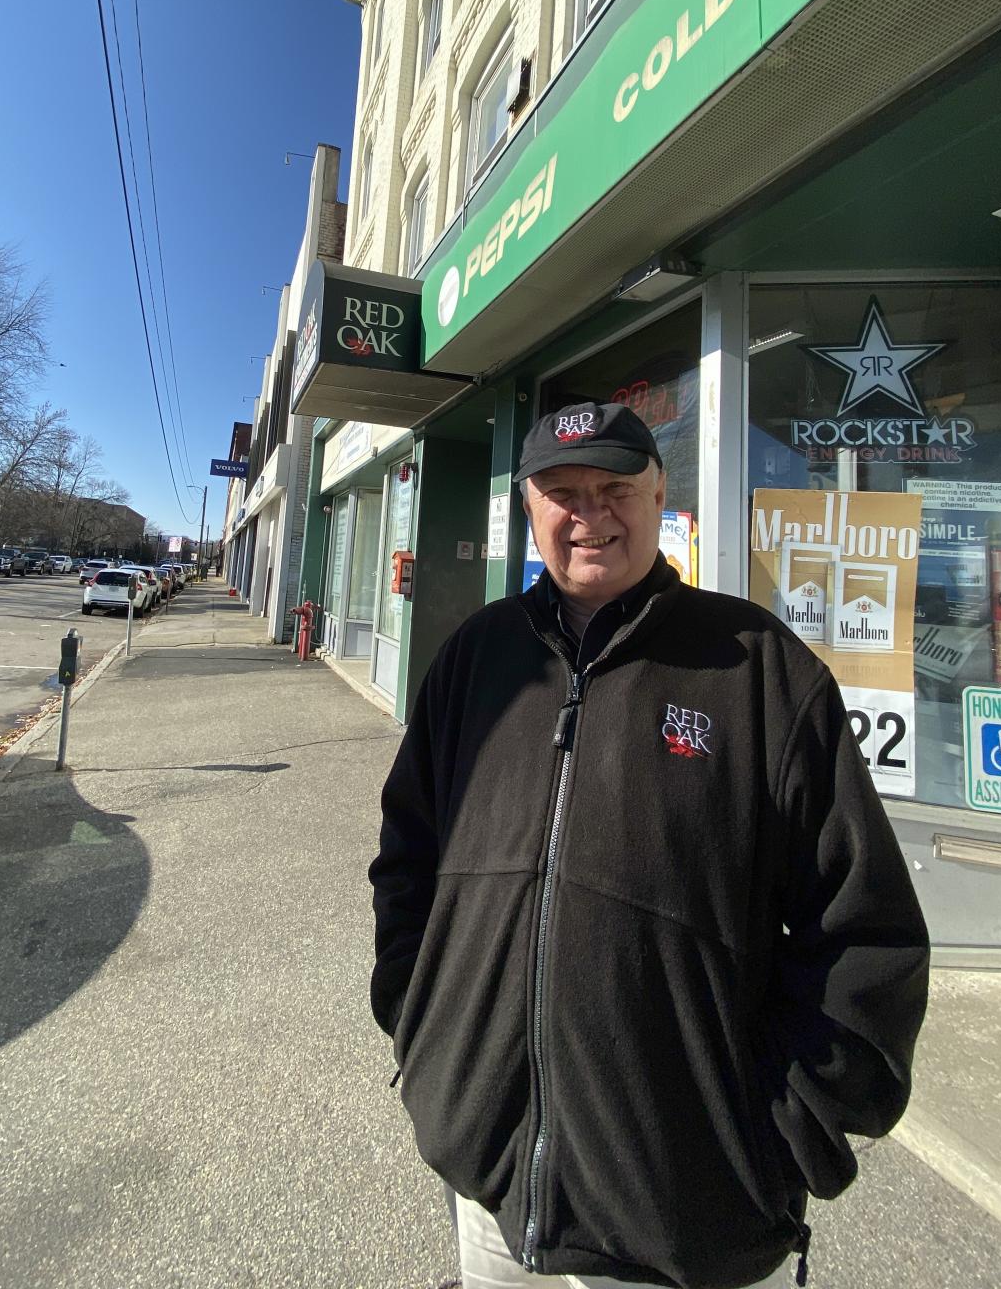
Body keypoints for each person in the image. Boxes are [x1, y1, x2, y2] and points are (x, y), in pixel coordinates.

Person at [369, 402, 929, 1289]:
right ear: (530, 508)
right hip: (490, 1199)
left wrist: (784, 1138)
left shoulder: (762, 671)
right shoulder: (477, 660)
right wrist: (428, 1039)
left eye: (616, 489)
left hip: (689, 1223)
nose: (591, 514)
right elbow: (407, 862)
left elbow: (866, 936)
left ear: (659, 494)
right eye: (563, 492)